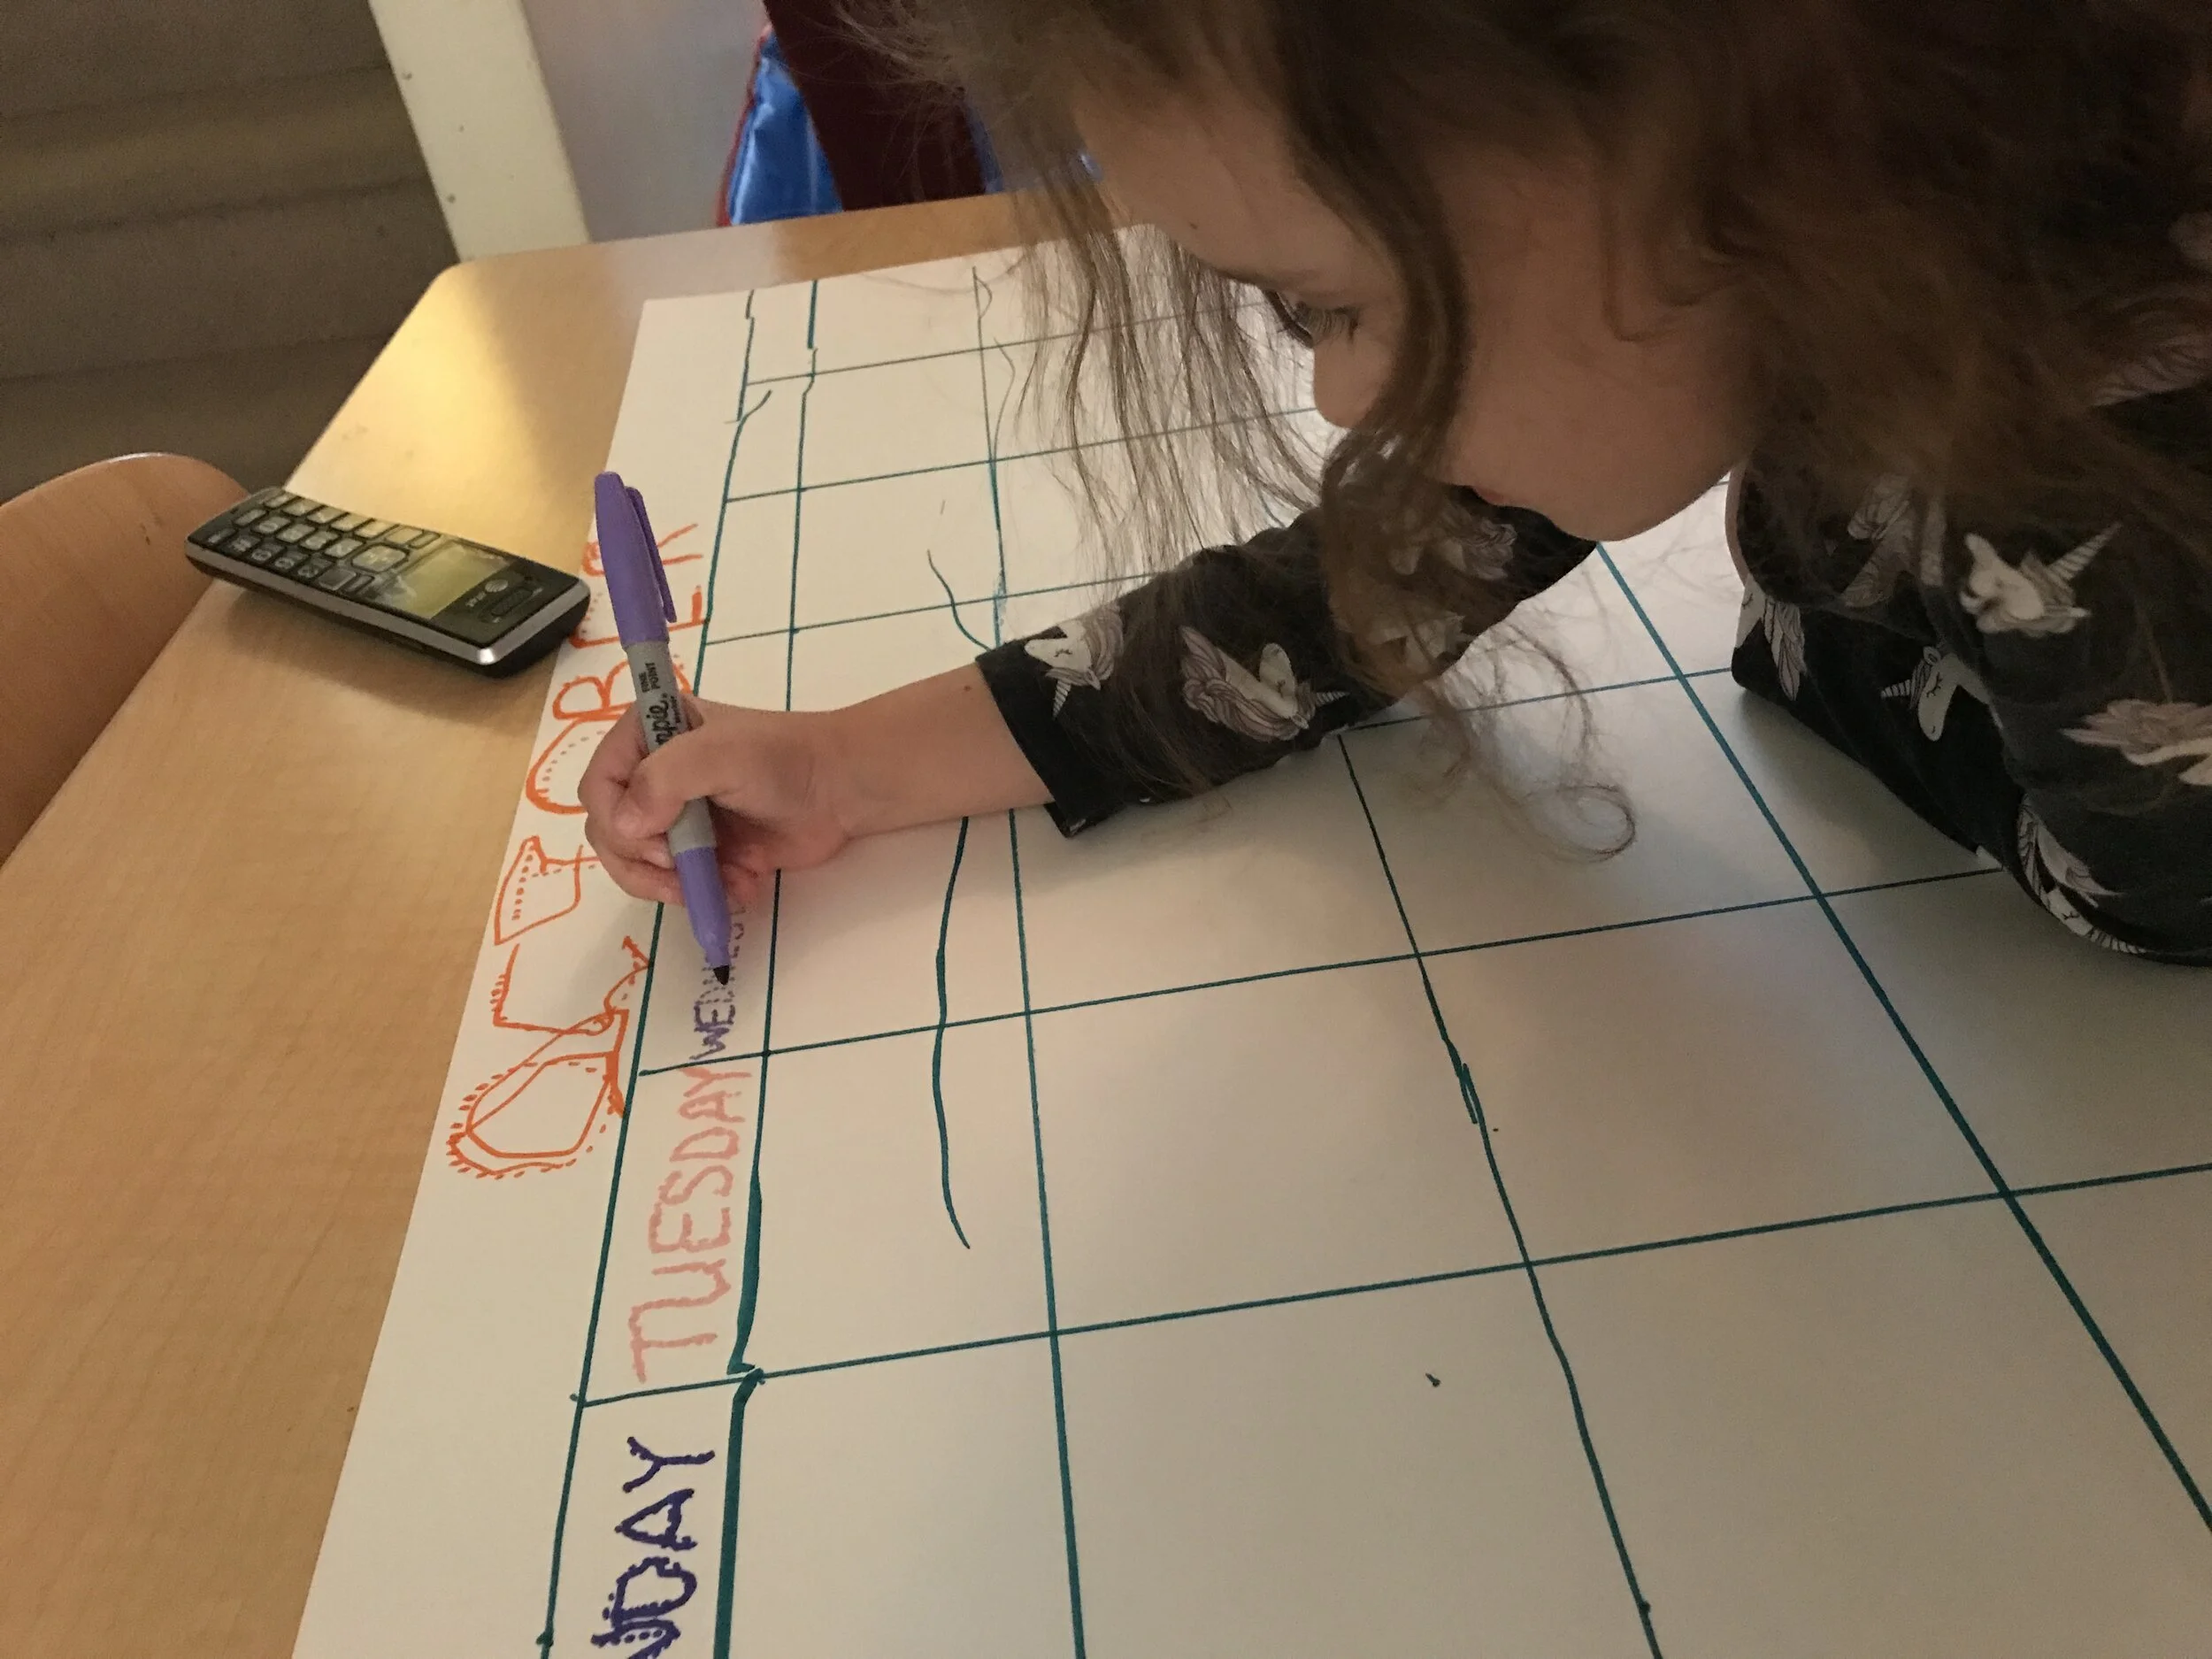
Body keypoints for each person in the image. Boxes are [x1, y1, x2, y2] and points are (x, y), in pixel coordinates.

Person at [581, 0, 2212, 963]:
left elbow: (2153, 899)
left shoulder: (2112, 475)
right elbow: (1312, 616)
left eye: (1337, 307)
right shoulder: (1747, 228)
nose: (1335, 397)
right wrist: (841, 765)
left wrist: (1832, 667)